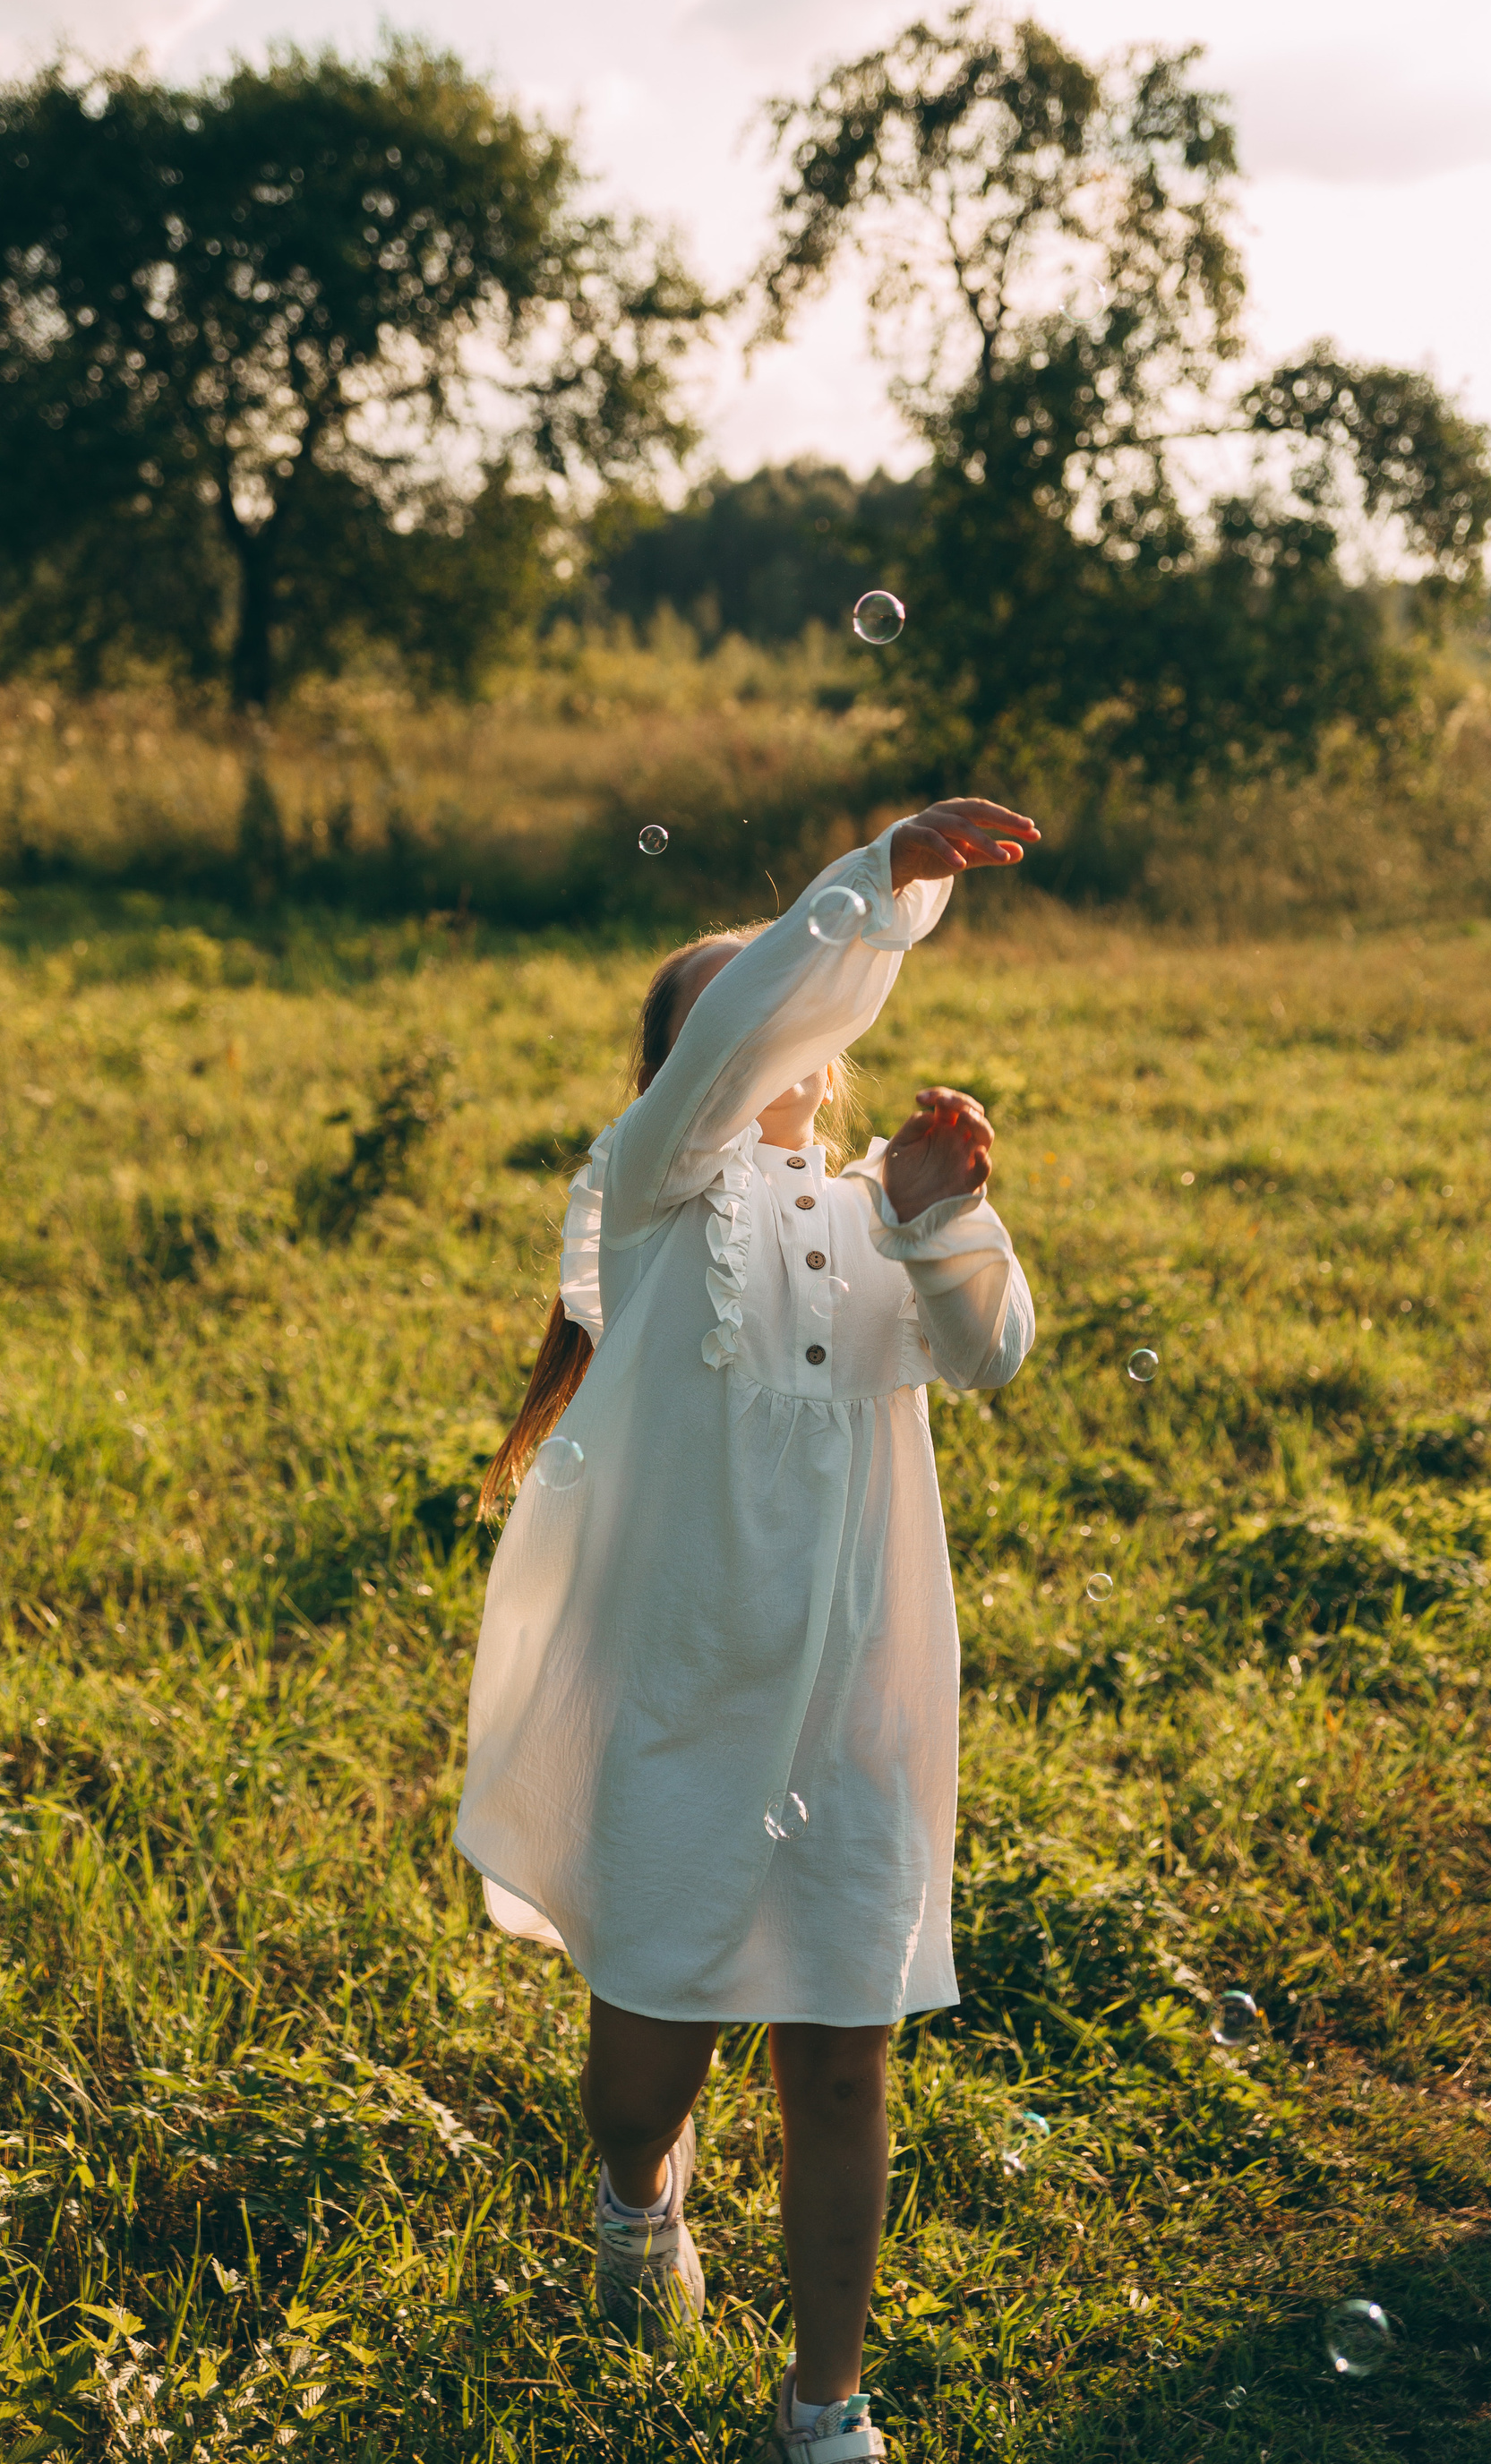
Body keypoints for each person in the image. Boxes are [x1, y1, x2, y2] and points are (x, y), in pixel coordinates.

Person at [457, 800, 1040, 2462]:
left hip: (852, 1710)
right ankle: (638, 2195)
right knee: (643, 2076)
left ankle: (824, 2406)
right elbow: (743, 1029)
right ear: (683, 1068)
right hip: (682, 1708)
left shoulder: (869, 1212)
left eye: (795, 994)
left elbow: (993, 1351)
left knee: (843, 2070)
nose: (779, 1012)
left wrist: (934, 1215)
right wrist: (881, 878)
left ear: (829, 1060)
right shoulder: (647, 1195)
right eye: (737, 1004)